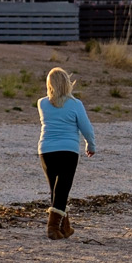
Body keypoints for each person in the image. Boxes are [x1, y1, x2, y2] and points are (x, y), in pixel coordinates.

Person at [37, 67, 96, 239]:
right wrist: (90, 145)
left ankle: (65, 226)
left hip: (46, 150)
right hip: (68, 150)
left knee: (56, 190)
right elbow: (86, 128)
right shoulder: (76, 104)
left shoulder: (42, 103)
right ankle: (52, 227)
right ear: (67, 84)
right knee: (62, 188)